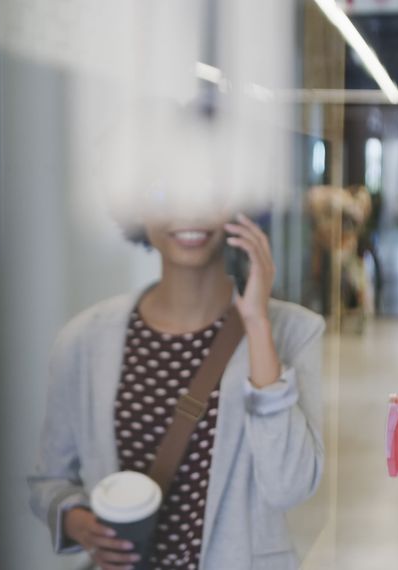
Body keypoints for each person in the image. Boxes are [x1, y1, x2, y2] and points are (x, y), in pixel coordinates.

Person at [28, 201, 325, 570]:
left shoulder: (293, 332)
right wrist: (78, 522)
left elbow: (289, 486)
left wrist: (257, 324)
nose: (189, 211)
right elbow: (49, 481)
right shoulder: (85, 339)